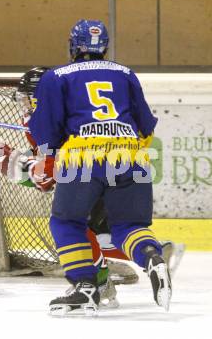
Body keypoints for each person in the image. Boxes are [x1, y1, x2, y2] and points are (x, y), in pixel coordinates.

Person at [27, 20, 172, 315]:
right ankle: (152, 257)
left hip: (83, 158)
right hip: (130, 155)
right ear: (104, 46)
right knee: (129, 227)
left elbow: (46, 129)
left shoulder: (57, 76)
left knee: (66, 223)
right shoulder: (125, 73)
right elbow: (146, 124)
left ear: (73, 45)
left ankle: (85, 288)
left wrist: (47, 152)